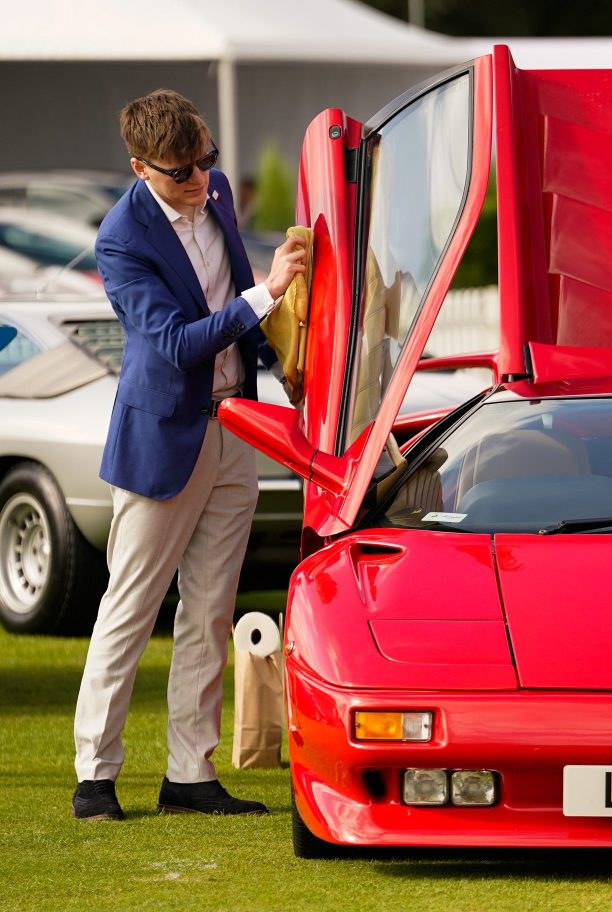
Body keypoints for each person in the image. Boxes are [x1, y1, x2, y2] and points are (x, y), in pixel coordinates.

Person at [71, 89, 307, 820]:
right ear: (141, 169)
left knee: (210, 609)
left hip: (236, 426)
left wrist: (284, 330)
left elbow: (236, 290)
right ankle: (95, 775)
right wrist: (266, 295)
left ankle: (190, 775)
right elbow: (173, 343)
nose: (201, 180)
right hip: (162, 435)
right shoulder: (121, 238)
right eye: (182, 173)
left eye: (206, 160)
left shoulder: (218, 190)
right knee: (130, 609)